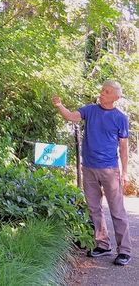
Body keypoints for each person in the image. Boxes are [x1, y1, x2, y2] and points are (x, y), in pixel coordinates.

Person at [52, 80, 131, 267]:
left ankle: (125, 250)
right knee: (94, 208)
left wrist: (125, 172)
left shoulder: (121, 118)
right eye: (103, 90)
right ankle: (102, 244)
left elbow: (124, 147)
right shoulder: (90, 110)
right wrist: (59, 105)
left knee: (117, 211)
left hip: (110, 170)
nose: (102, 93)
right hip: (88, 168)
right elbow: (71, 116)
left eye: (107, 91)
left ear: (116, 97)